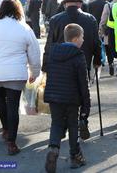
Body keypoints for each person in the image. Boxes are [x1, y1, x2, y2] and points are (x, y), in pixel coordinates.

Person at [0, 0, 41, 155]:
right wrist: (35, 71)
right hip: (16, 73)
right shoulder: (24, 28)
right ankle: (12, 142)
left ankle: (5, 129)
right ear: (18, 10)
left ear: (1, 11)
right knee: (13, 105)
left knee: (0, 102)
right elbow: (34, 52)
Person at [44, 23, 89, 172]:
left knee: (56, 123)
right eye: (82, 37)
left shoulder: (53, 52)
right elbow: (83, 82)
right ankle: (75, 156)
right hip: (72, 97)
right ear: (76, 39)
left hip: (54, 96)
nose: (83, 40)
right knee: (73, 125)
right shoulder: (78, 55)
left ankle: (53, 149)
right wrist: (86, 105)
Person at [42, 0, 101, 78]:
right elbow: (96, 42)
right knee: (83, 88)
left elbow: (49, 44)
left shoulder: (55, 20)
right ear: (79, 4)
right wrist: (97, 60)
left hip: (61, 64)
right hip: (84, 61)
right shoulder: (90, 19)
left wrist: (45, 65)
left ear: (65, 4)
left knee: (64, 89)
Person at [99, 0, 117, 76]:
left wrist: (102, 32)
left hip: (109, 32)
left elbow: (103, 20)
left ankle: (110, 63)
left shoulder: (108, 6)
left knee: (109, 50)